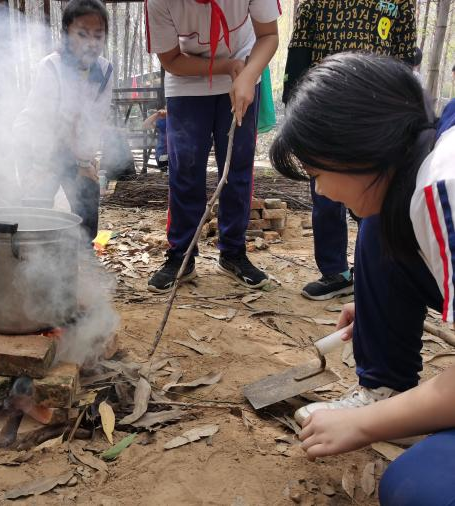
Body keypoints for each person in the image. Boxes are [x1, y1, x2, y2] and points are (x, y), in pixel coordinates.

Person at [270, 52, 455, 504]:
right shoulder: (424, 146)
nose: (319, 191)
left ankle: (392, 412)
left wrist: (363, 425)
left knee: (419, 488)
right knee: (380, 222)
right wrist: (380, 308)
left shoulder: (443, 187)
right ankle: (387, 392)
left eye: (316, 174)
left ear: (356, 152)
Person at [282, 0, 417, 301]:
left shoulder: (400, 2)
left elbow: (405, 59)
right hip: (324, 107)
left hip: (377, 111)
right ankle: (336, 272)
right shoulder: (314, 3)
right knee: (327, 195)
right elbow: (300, 52)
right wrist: (295, 107)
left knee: (377, 196)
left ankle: (377, 272)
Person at [144, 0, 280, 293]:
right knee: (185, 168)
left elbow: (268, 35)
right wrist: (225, 66)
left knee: (237, 166)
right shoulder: (159, 2)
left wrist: (246, 74)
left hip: (244, 68)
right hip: (187, 78)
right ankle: (181, 254)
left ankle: (233, 252)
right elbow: (171, 60)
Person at [13, 0, 113, 244]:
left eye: (98, 35)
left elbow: (95, 120)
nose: (91, 43)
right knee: (37, 213)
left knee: (87, 200)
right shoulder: (51, 67)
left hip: (75, 148)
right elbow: (44, 123)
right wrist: (39, 167)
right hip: (37, 146)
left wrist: (85, 161)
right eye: (82, 34)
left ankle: (83, 260)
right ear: (66, 33)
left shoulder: (105, 70)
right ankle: (33, 266)